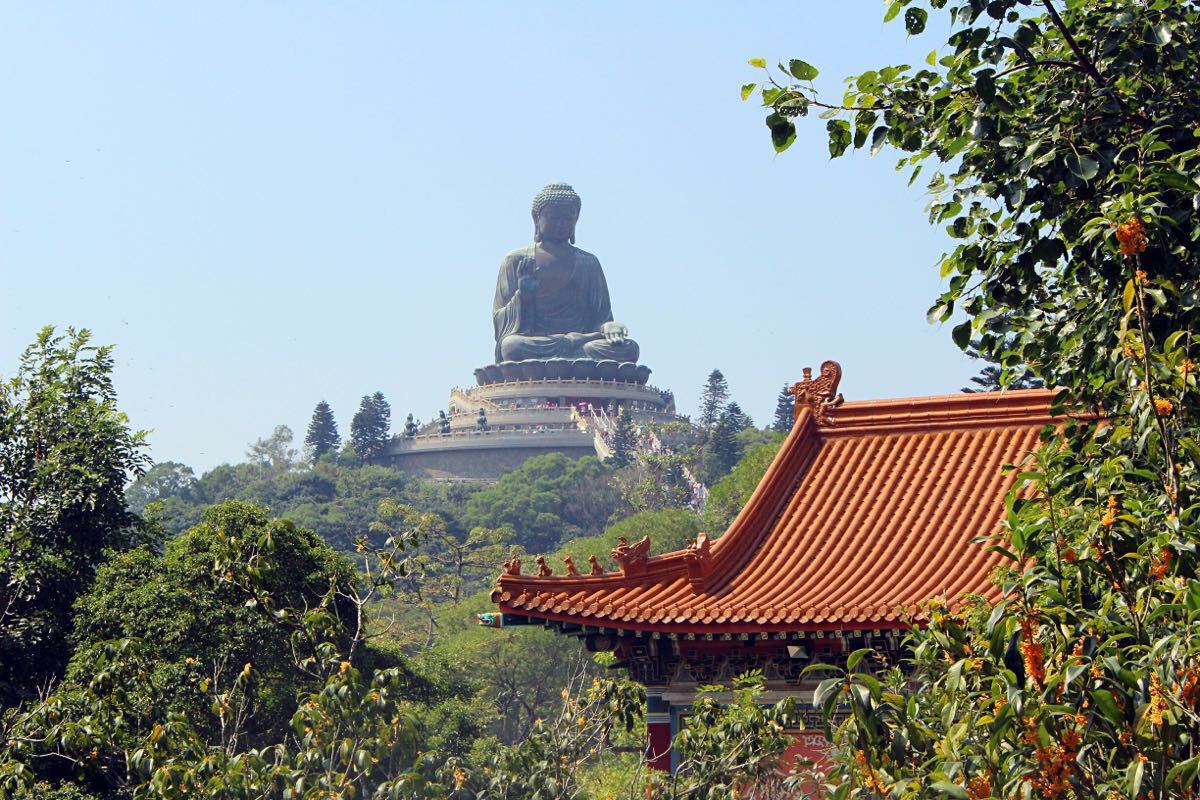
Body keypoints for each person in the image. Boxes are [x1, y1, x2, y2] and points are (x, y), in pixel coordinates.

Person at [492, 183, 639, 363]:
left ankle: (570, 360)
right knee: (511, 346)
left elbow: (602, 319)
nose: (561, 224)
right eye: (554, 218)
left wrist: (610, 326)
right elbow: (499, 321)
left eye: (568, 218)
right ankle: (575, 361)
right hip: (536, 343)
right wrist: (524, 296)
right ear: (536, 218)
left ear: (576, 219)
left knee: (628, 349)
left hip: (583, 342)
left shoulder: (589, 263)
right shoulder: (515, 260)